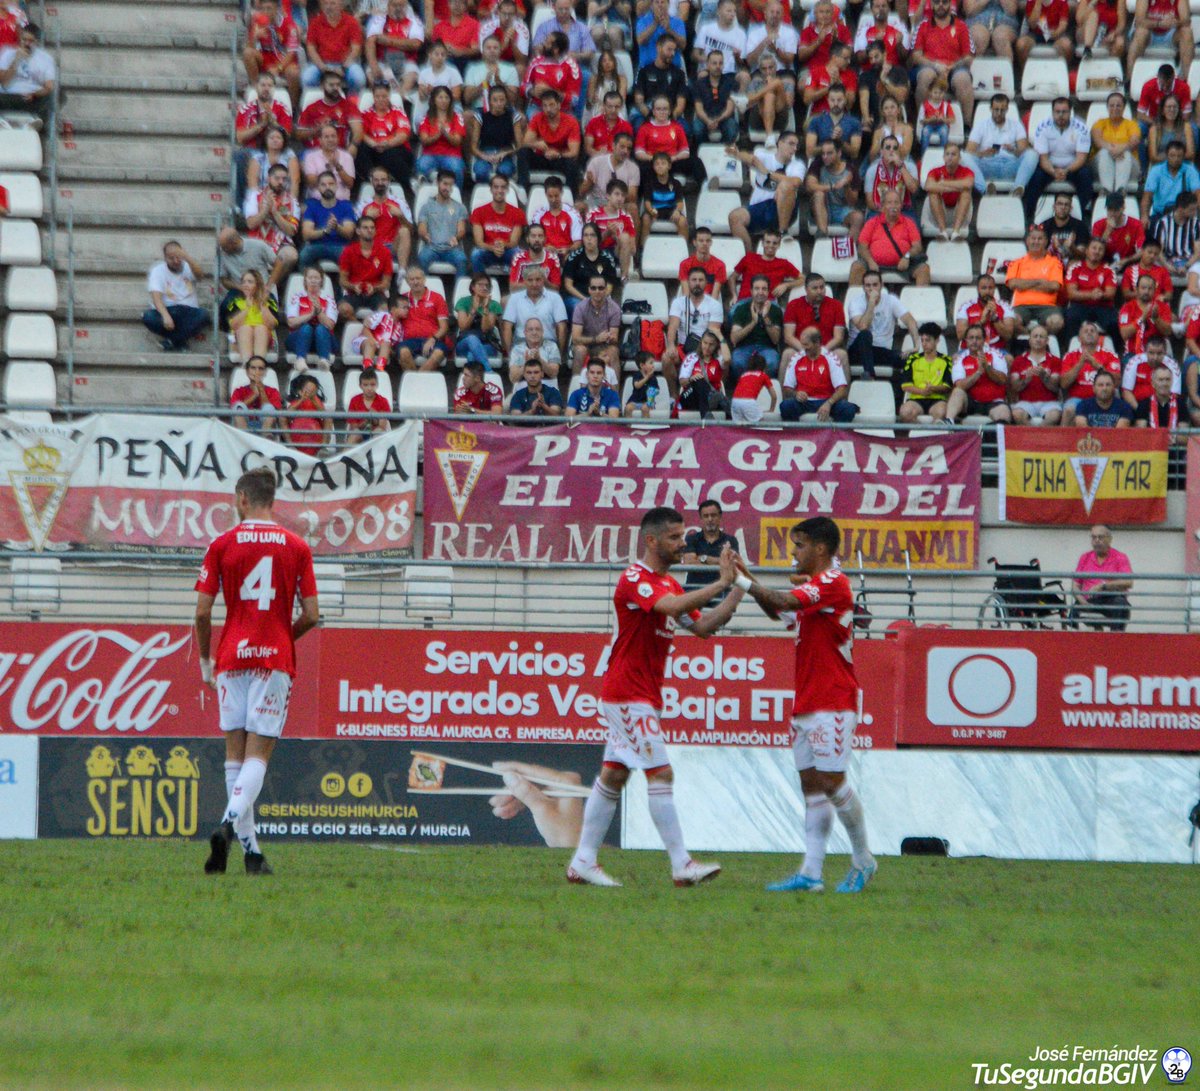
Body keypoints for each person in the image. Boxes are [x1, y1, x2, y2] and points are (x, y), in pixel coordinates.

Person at [565, 506, 744, 887]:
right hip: (627, 693)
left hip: (640, 693)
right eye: (675, 538)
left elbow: (704, 628)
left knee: (613, 775)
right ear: (651, 540)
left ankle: (583, 861)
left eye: (682, 536)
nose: (682, 544)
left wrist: (738, 588)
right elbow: (672, 608)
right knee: (660, 772)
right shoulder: (636, 578)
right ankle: (682, 864)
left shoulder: (672, 584)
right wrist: (719, 582)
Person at [736, 517, 876, 895]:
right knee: (812, 786)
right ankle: (811, 874)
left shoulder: (832, 583)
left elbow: (782, 599)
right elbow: (778, 610)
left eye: (799, 546)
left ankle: (863, 859)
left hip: (833, 698)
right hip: (808, 700)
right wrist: (744, 577)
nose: (793, 553)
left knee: (832, 782)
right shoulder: (816, 588)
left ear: (819, 548)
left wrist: (742, 581)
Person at [195, 466, 319, 877]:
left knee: (235, 755)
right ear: (272, 500)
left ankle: (251, 854)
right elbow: (312, 615)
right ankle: (229, 825)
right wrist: (283, 636)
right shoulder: (296, 546)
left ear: (243, 499)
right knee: (258, 756)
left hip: (231, 658)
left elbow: (201, 611)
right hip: (273, 660)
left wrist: (204, 661)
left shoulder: (221, 544)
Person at [726, 132, 806, 252]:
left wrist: (767, 173)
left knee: (785, 186)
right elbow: (751, 159)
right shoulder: (764, 157)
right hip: (760, 208)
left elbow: (796, 182)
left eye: (796, 145)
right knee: (734, 217)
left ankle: (782, 232)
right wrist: (737, 154)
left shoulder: (797, 165)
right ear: (780, 143)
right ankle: (749, 256)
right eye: (791, 144)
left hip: (784, 209)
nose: (794, 148)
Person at [1025, 97, 1095, 220]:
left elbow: (1081, 158)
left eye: (1064, 112)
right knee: (1035, 177)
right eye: (1057, 112)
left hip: (1072, 167)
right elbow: (1043, 158)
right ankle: (1029, 215)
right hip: (1049, 168)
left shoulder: (1082, 128)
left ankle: (1086, 215)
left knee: (1085, 175)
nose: (1061, 115)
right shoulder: (1042, 127)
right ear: (1052, 112)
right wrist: (1053, 171)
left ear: (1070, 112)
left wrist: (1066, 171)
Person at [910, 0, 975, 123]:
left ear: (950, 4)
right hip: (928, 66)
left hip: (954, 68)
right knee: (926, 75)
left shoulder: (961, 26)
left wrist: (951, 66)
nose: (940, 5)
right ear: (932, 4)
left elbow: (969, 57)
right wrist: (935, 65)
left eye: (944, 2)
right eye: (936, 2)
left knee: (963, 78)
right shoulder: (923, 26)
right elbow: (915, 56)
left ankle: (966, 125)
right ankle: (923, 121)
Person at [962, 92, 1038, 196]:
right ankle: (985, 190)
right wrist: (983, 154)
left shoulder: (1016, 125)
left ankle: (1017, 188)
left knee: (1032, 154)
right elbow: (969, 150)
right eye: (996, 109)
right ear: (990, 109)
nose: (999, 113)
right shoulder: (981, 126)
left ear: (1007, 109)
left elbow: (1023, 150)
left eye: (1002, 110)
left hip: (1010, 165)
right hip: (988, 165)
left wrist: (1013, 150)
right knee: (964, 156)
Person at [664, 268, 724, 395]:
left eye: (701, 280)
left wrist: (705, 351)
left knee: (725, 359)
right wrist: (670, 345)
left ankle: (715, 393)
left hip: (706, 347)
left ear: (706, 283)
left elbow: (713, 332)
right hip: (683, 346)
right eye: (694, 280)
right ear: (688, 282)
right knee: (666, 358)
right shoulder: (678, 303)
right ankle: (674, 396)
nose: (697, 283)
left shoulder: (714, 305)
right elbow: (672, 327)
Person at [143, 241, 209, 352]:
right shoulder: (157, 271)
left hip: (188, 310)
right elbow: (156, 298)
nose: (176, 261)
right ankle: (180, 341)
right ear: (165, 258)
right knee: (148, 317)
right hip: (168, 310)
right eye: (171, 258)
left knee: (203, 315)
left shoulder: (188, 266)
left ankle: (172, 341)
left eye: (178, 257)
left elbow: (200, 276)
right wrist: (165, 315)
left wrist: (187, 257)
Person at [780, 327, 857, 421]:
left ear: (817, 343)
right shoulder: (796, 358)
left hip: (827, 399)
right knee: (786, 406)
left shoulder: (831, 358)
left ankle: (836, 435)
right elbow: (787, 388)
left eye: (806, 345)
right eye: (802, 344)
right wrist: (796, 394)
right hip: (804, 402)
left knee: (847, 408)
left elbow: (842, 389)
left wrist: (829, 403)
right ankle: (794, 435)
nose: (803, 348)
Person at [1069, 525, 1133, 631]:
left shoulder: (1120, 557)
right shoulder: (1085, 557)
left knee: (1121, 606)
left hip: (1111, 598)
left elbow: (1128, 582)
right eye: (1094, 537)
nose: (1097, 541)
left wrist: (1103, 586)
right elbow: (1075, 585)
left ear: (1109, 539)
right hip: (1090, 600)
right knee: (1074, 610)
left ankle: (1115, 640)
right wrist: (1083, 603)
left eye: (1100, 537)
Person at [1005, 224, 1065, 337]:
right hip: (1021, 306)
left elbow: (1054, 286)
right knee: (1010, 322)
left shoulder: (1054, 262)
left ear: (1046, 241)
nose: (1036, 242)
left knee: (1057, 322)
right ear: (1027, 241)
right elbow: (1013, 284)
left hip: (1047, 306)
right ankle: (1033, 334)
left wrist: (1024, 284)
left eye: (1040, 239)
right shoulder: (1017, 262)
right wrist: (1039, 282)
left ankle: (1037, 334)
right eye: (1033, 238)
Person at [1058, 319, 1122, 424]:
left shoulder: (1110, 355)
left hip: (1104, 399)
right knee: (1069, 410)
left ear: (1098, 337)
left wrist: (1097, 366)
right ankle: (1063, 440)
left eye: (1092, 331)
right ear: (1079, 338)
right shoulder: (1070, 356)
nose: (1089, 333)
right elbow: (1064, 384)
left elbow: (1117, 382)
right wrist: (1079, 364)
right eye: (1085, 331)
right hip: (1078, 399)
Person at [1063, 237, 1121, 349]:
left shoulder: (1108, 270)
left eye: (1100, 249)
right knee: (1071, 318)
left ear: (1103, 253)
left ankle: (1116, 354)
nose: (1097, 251)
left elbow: (1110, 294)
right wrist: (1091, 294)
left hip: (1103, 306)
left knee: (1114, 323)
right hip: (1080, 306)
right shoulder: (1075, 268)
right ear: (1087, 250)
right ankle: (1069, 353)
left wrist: (1099, 295)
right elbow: (1071, 293)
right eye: (1094, 248)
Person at [946, 322, 1012, 422]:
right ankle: (948, 422)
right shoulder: (960, 359)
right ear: (966, 340)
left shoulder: (996, 355)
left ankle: (992, 435)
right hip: (971, 402)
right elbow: (960, 385)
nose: (974, 341)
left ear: (984, 340)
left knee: (1004, 414)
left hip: (994, 402)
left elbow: (1002, 379)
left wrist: (987, 367)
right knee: (957, 392)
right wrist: (978, 373)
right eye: (971, 338)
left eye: (978, 338)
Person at [501, 264, 569, 357]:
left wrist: (559, 354)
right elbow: (507, 327)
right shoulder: (515, 298)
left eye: (538, 280)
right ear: (524, 281)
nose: (534, 284)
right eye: (530, 280)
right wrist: (510, 355)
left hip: (548, 344)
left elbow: (562, 327)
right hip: (521, 344)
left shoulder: (555, 298)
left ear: (543, 280)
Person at [356, 80, 414, 187]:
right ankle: (371, 178)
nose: (381, 99)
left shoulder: (398, 112)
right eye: (377, 96)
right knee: (360, 148)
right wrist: (372, 143)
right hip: (373, 148)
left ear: (389, 96)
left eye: (384, 96)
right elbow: (360, 133)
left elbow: (403, 135)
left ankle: (400, 182)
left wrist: (387, 144)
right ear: (373, 97)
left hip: (394, 149)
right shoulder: (366, 114)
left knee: (389, 154)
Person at [243, 0, 302, 106]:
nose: (265, 12)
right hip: (266, 57)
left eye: (269, 8)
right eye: (263, 9)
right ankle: (257, 90)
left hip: (284, 60)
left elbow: (291, 52)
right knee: (248, 53)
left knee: (294, 73)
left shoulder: (289, 24)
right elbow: (248, 48)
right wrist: (254, 37)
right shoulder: (258, 22)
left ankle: (293, 107)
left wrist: (278, 68)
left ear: (277, 9)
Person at [804, 138, 865, 238]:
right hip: (821, 206)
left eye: (829, 153)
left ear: (839, 153)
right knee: (819, 194)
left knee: (858, 217)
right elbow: (810, 186)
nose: (825, 157)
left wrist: (846, 186)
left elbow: (852, 202)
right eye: (823, 153)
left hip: (841, 210)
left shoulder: (850, 170)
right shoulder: (818, 164)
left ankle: (847, 249)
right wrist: (832, 186)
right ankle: (823, 236)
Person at [338, 215, 394, 321]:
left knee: (384, 311)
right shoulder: (348, 251)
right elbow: (342, 281)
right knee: (343, 309)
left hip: (376, 293)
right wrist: (353, 286)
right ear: (358, 231)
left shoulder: (384, 252)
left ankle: (371, 333)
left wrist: (375, 288)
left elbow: (386, 283)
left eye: (372, 228)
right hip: (354, 292)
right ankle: (360, 329)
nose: (370, 230)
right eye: (366, 228)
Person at [394, 265, 450, 370]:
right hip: (409, 341)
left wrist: (433, 339)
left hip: (433, 339)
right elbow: (393, 320)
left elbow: (444, 327)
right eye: (412, 279)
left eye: (418, 278)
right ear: (407, 282)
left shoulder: (437, 298)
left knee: (438, 354)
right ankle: (418, 381)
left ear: (424, 280)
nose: (415, 282)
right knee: (403, 352)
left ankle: (415, 382)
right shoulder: (402, 299)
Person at [298, 170, 356, 269]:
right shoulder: (312, 206)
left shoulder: (346, 206)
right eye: (323, 185)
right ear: (318, 188)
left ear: (336, 186)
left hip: (339, 246)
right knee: (304, 254)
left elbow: (349, 233)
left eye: (331, 184)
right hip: (317, 246)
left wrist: (337, 227)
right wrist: (325, 230)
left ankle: (344, 284)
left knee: (350, 257)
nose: (327, 187)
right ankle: (308, 282)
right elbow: (306, 235)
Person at [1125, 0, 1193, 85]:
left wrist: (1174, 21)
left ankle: (1188, 81)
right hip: (1150, 33)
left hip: (1171, 32)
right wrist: (1159, 23)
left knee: (1187, 32)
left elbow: (1186, 21)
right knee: (1141, 32)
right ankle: (1130, 79)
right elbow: (1139, 21)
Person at [0, 22, 55, 127]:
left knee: (54, 96)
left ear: (37, 42)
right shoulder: (8, 53)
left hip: (31, 97)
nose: (26, 43)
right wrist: (15, 61)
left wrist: (35, 94)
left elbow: (49, 87)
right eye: (24, 40)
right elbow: (3, 82)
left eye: (31, 41)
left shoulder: (45, 58)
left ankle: (36, 123)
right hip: (8, 95)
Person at [729, 275, 784, 378]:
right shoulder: (741, 309)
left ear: (768, 292)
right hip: (744, 347)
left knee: (772, 363)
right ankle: (745, 388)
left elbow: (776, 340)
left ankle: (763, 387)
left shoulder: (775, 310)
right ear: (751, 291)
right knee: (737, 362)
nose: (760, 292)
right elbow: (734, 339)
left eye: (764, 289)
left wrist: (766, 317)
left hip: (767, 348)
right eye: (757, 288)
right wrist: (753, 322)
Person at [415, 169, 469, 275]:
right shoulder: (426, 207)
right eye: (445, 184)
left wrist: (456, 237)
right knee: (422, 257)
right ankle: (424, 289)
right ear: (438, 183)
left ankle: (460, 290)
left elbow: (461, 229)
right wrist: (424, 235)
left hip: (451, 248)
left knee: (462, 259)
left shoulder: (459, 207)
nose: (448, 188)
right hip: (432, 247)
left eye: (451, 185)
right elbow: (421, 227)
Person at [303, 0, 366, 90]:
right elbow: (311, 47)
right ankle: (318, 102)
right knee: (307, 78)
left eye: (333, 3)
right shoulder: (315, 22)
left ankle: (352, 101)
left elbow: (355, 48)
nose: (329, 7)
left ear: (341, 5)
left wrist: (344, 68)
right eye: (326, 3)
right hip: (322, 63)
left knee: (358, 79)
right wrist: (322, 67)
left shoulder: (351, 22)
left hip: (345, 64)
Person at [469, 173, 524, 274]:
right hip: (487, 250)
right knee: (475, 254)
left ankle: (516, 286)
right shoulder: (478, 212)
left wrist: (503, 245)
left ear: (507, 189)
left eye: (503, 187)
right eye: (496, 187)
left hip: (508, 250)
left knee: (519, 254)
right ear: (491, 189)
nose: (499, 190)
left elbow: (514, 242)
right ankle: (480, 283)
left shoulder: (518, 213)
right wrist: (492, 248)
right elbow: (479, 242)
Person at [1009, 324, 1064, 424]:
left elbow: (1056, 387)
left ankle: (1036, 437)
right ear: (1029, 340)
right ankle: (1034, 437)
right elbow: (1014, 388)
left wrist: (1044, 378)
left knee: (1054, 415)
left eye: (1041, 336)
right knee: (1017, 414)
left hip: (1049, 402)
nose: (1038, 339)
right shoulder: (1018, 360)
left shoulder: (1055, 361)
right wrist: (1026, 379)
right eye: (1035, 336)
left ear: (1047, 341)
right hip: (1025, 402)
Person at [898, 322, 952, 421]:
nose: (924, 344)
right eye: (922, 340)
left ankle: (932, 436)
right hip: (916, 399)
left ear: (937, 340)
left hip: (937, 399)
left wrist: (933, 388)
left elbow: (947, 387)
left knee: (942, 412)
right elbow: (905, 385)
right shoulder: (913, 359)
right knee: (905, 412)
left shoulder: (946, 360)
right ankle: (920, 435)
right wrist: (922, 391)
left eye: (928, 340)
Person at [468, 83, 523, 182]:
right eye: (495, 100)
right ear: (489, 101)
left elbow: (520, 145)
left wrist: (505, 153)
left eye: (502, 100)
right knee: (480, 171)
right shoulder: (480, 115)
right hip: (485, 153)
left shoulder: (513, 116)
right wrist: (484, 156)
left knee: (504, 171)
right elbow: (473, 147)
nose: (498, 103)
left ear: (506, 101)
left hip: (505, 154)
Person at [680, 500, 739, 592]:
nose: (710, 519)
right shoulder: (691, 539)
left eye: (713, 515)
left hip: (721, 592)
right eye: (706, 516)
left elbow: (732, 565)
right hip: (694, 592)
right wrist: (720, 561)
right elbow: (690, 563)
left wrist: (704, 558)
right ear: (701, 519)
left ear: (720, 517)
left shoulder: (730, 540)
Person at [1091, 91, 1141, 197]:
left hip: (1129, 167)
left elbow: (1134, 140)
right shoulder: (1100, 123)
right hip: (1101, 165)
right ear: (1107, 107)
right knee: (1104, 152)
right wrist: (1114, 149)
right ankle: (1106, 190)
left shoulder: (1131, 124)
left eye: (1119, 105)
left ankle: (1120, 190)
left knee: (1126, 154)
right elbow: (1098, 141)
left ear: (1124, 108)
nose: (1115, 108)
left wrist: (1121, 149)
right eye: (1111, 105)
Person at [415, 85, 467, 187]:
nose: (444, 100)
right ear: (434, 100)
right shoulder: (426, 118)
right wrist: (438, 134)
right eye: (440, 97)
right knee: (421, 166)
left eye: (446, 97)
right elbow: (424, 140)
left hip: (451, 155)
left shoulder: (457, 117)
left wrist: (445, 134)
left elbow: (457, 141)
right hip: (430, 154)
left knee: (456, 168)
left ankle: (457, 196)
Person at [570, 274, 622, 374]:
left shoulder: (614, 308)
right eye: (593, 288)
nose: (597, 291)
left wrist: (609, 338)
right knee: (579, 351)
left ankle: (615, 389)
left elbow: (614, 337)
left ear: (606, 290)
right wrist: (596, 339)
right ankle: (575, 386)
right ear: (589, 290)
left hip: (605, 345)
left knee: (613, 352)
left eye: (600, 288)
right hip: (586, 344)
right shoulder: (580, 307)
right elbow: (575, 339)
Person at [587, 179, 638, 279]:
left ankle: (624, 278)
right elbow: (588, 243)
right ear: (608, 196)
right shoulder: (594, 215)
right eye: (617, 194)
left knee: (624, 237)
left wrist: (617, 238)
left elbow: (633, 249)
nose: (620, 198)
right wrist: (607, 233)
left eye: (623, 196)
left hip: (617, 253)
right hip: (598, 252)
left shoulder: (626, 217)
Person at [923, 141, 974, 241]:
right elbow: (928, 186)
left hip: (959, 211)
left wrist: (942, 183)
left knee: (966, 193)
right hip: (940, 210)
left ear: (959, 158)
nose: (950, 157)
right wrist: (957, 186)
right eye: (947, 154)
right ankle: (943, 232)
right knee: (933, 193)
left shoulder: (967, 171)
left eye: (953, 154)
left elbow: (968, 184)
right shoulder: (935, 171)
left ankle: (956, 232)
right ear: (943, 157)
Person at [955, 272, 1016, 351]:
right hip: (970, 350)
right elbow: (960, 335)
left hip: (996, 350)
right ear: (978, 289)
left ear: (994, 289)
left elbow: (1008, 336)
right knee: (956, 358)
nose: (987, 291)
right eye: (984, 288)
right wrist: (981, 321)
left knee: (1009, 359)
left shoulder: (1005, 307)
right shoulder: (966, 307)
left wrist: (995, 318)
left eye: (990, 288)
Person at [1142, 140, 1200, 222]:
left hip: (1183, 215)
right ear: (1166, 155)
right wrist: (1144, 216)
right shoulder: (1156, 170)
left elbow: (1198, 193)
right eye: (1172, 155)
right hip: (1160, 215)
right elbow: (1147, 196)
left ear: (1183, 157)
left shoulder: (1190, 170)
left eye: (1179, 156)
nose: (1176, 159)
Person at [228, 270, 280, 362]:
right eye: (243, 282)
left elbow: (272, 325)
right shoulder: (235, 301)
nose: (245, 285)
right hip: (239, 340)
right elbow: (233, 326)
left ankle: (258, 363)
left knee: (260, 328)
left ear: (257, 285)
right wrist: (247, 308)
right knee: (246, 328)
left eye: (250, 282)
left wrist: (262, 304)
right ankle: (247, 364)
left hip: (264, 338)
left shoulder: (269, 301)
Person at [454, 271, 503, 368]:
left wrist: (485, 309)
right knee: (472, 338)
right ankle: (489, 372)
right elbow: (463, 327)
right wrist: (473, 310)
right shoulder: (463, 302)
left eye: (487, 286)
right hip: (464, 343)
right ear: (473, 287)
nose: (484, 288)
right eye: (480, 285)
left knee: (472, 356)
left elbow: (486, 329)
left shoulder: (493, 305)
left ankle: (477, 380)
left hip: (487, 343)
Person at [691, 48, 738, 146]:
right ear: (708, 65)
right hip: (705, 117)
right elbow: (698, 109)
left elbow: (730, 108)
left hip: (724, 118)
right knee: (696, 128)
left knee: (732, 128)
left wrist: (717, 120)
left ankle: (725, 152)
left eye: (720, 63)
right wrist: (708, 121)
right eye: (714, 63)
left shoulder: (731, 83)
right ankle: (703, 153)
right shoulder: (699, 84)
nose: (718, 66)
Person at [638, 151, 687, 245]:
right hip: (655, 211)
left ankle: (683, 247)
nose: (660, 166)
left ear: (669, 166)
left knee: (683, 221)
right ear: (653, 167)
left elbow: (680, 202)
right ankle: (644, 248)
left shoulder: (676, 183)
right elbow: (647, 202)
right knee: (645, 218)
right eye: (657, 164)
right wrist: (651, 211)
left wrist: (677, 211)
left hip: (671, 212)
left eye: (663, 163)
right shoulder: (649, 183)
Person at [230, 355, 282, 434]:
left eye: (260, 369)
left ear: (265, 372)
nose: (257, 371)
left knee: (269, 407)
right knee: (239, 406)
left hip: (266, 426)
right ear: (247, 371)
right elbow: (236, 410)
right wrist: (254, 395)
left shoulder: (273, 391)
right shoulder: (238, 391)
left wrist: (261, 390)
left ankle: (265, 437)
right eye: (253, 368)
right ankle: (245, 438)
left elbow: (273, 413)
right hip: (244, 426)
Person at [1037, 191, 1088, 266]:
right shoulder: (1045, 226)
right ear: (1054, 207)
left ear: (1071, 208)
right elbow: (1038, 253)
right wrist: (1053, 248)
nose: (1063, 207)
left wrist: (1072, 247)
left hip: (1072, 264)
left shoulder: (1080, 226)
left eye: (1066, 205)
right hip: (1050, 264)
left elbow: (1083, 255)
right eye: (1060, 204)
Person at [1135, 360, 1188, 431]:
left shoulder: (1181, 404)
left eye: (1167, 379)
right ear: (1153, 383)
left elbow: (1183, 438)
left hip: (1174, 442)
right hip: (1151, 441)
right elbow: (1141, 435)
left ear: (1172, 382)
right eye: (1160, 380)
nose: (1164, 383)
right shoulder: (1144, 404)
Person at [507, 316, 562, 382]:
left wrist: (539, 360)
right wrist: (527, 363)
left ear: (542, 332)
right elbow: (513, 378)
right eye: (530, 329)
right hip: (523, 387)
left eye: (537, 329)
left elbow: (554, 373)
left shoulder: (552, 346)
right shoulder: (517, 350)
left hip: (548, 386)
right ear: (525, 333)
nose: (534, 333)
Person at [346, 367, 392, 444]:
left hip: (376, 435)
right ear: (360, 386)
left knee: (378, 432)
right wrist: (365, 421)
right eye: (366, 385)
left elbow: (382, 426)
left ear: (377, 385)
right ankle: (345, 456)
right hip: (359, 434)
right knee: (355, 434)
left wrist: (375, 416)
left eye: (372, 384)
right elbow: (353, 427)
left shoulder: (383, 401)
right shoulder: (354, 400)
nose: (369, 388)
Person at [730, 352, 778, 423]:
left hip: (735, 401)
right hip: (748, 402)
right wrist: (771, 409)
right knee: (760, 426)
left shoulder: (744, 375)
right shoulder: (763, 375)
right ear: (764, 367)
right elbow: (774, 396)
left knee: (739, 428)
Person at [624, 353, 662, 418]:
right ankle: (628, 427)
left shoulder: (653, 377)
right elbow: (637, 385)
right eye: (651, 363)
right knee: (628, 408)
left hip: (648, 401)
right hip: (635, 400)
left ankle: (645, 427)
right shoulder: (637, 375)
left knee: (645, 408)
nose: (653, 366)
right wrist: (647, 377)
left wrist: (654, 391)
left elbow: (656, 389)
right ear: (642, 365)